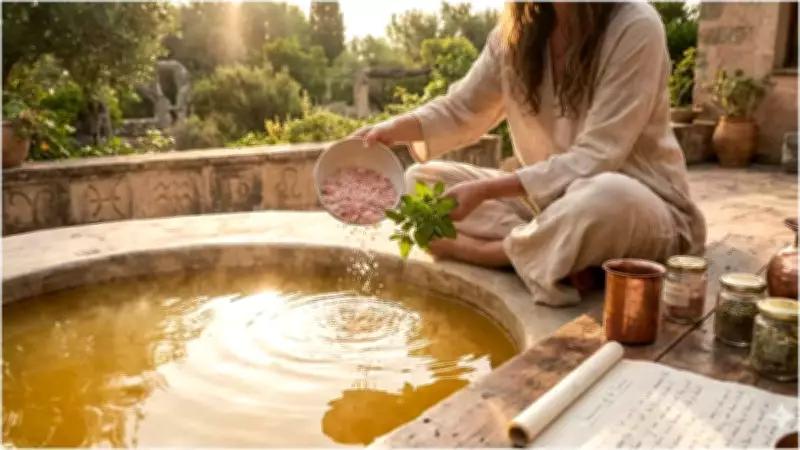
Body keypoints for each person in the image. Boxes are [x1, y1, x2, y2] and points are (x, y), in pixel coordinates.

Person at [352, 2, 707, 307]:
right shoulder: (515, 33)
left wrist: (486, 190)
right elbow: (463, 107)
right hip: (547, 203)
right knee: (420, 182)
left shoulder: (635, 25)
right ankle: (557, 252)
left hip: (640, 206)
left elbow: (598, 155)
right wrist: (390, 131)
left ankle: (483, 251)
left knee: (606, 195)